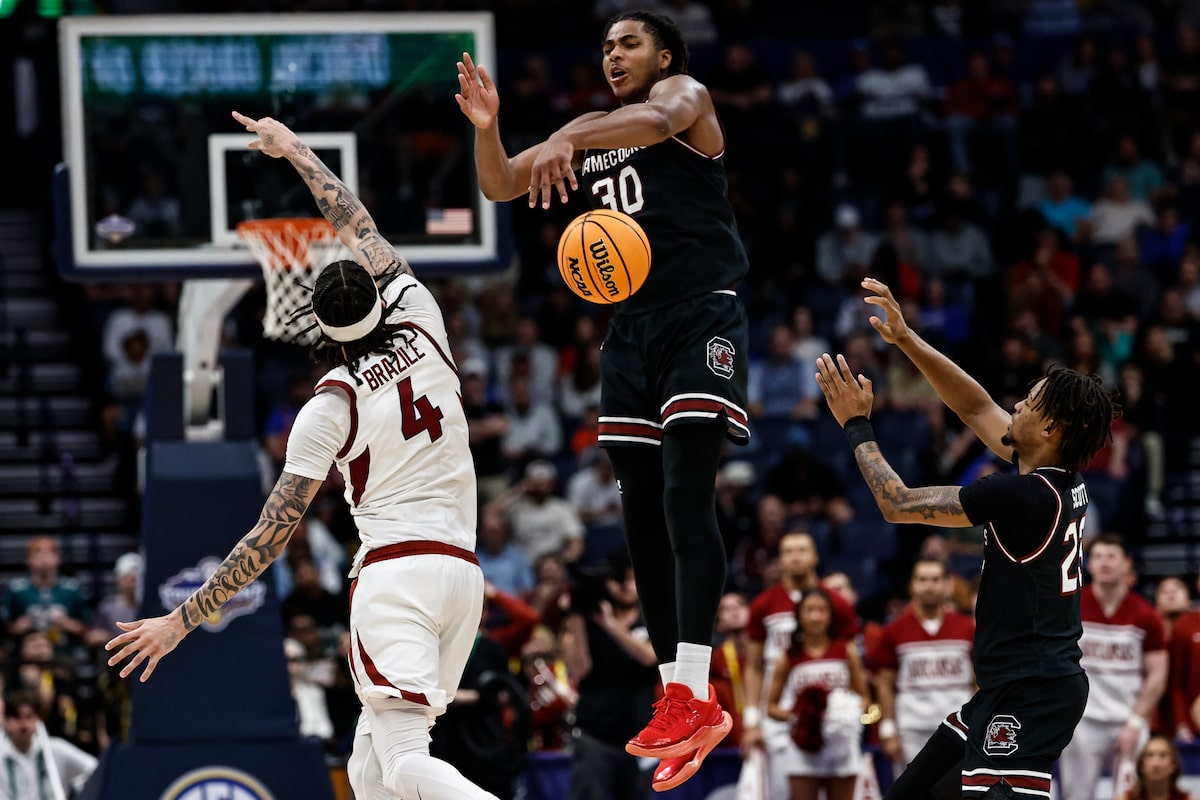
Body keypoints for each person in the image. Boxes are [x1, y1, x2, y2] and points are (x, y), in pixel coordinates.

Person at [103, 111, 500, 800]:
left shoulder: (331, 406)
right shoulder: (423, 315)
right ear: (379, 299)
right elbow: (356, 222)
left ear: (321, 328)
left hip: (397, 576)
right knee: (370, 768)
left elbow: (269, 538)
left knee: (404, 759)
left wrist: (181, 619)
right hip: (463, 575)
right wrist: (295, 151)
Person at [457, 10, 747, 787]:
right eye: (608, 46)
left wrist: (562, 137)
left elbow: (654, 120)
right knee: (639, 523)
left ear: (664, 53)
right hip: (629, 335)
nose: (614, 55)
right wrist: (492, 128)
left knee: (688, 499)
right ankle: (679, 695)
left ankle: (698, 685)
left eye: (629, 43)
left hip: (699, 315)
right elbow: (499, 184)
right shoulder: (592, 131)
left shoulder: (685, 95)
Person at [814, 277, 1118, 800]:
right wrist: (906, 339)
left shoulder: (1023, 496)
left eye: (1029, 402)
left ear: (1052, 430)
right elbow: (975, 409)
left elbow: (898, 503)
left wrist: (856, 425)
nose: (1016, 405)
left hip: (1033, 691)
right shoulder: (1058, 478)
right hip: (1009, 686)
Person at [1059, 534, 1167, 800]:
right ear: (1088, 564)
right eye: (1098, 557)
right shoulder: (1070, 606)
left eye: (1111, 556)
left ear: (1127, 565)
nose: (1104, 563)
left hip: (1127, 718)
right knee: (1076, 795)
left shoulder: (1146, 614)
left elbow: (1158, 672)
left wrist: (1137, 720)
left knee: (1132, 795)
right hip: (1082, 721)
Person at [868, 557, 975, 775]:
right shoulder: (893, 631)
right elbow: (885, 684)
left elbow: (979, 682)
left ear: (948, 584)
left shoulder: (968, 629)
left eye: (935, 579)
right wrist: (888, 730)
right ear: (912, 585)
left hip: (960, 728)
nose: (928, 586)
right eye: (922, 579)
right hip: (911, 729)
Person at [765, 588, 870, 800]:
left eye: (822, 610)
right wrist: (802, 717)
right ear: (799, 616)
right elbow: (771, 707)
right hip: (804, 744)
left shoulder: (846, 651)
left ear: (830, 616)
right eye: (809, 610)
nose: (815, 617)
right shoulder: (788, 656)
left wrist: (846, 714)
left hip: (840, 743)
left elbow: (865, 698)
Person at [1, 689, 98, 800]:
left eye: (29, 717)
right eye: (17, 718)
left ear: (37, 719)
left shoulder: (55, 749)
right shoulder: (2, 756)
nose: (24, 725)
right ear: (6, 722)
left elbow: (95, 768)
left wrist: (82, 790)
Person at [1117, 735, 1194, 800]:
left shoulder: (1187, 799)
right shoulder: (1125, 798)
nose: (1156, 763)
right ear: (1141, 766)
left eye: (1163, 755)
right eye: (1150, 756)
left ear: (1173, 765)